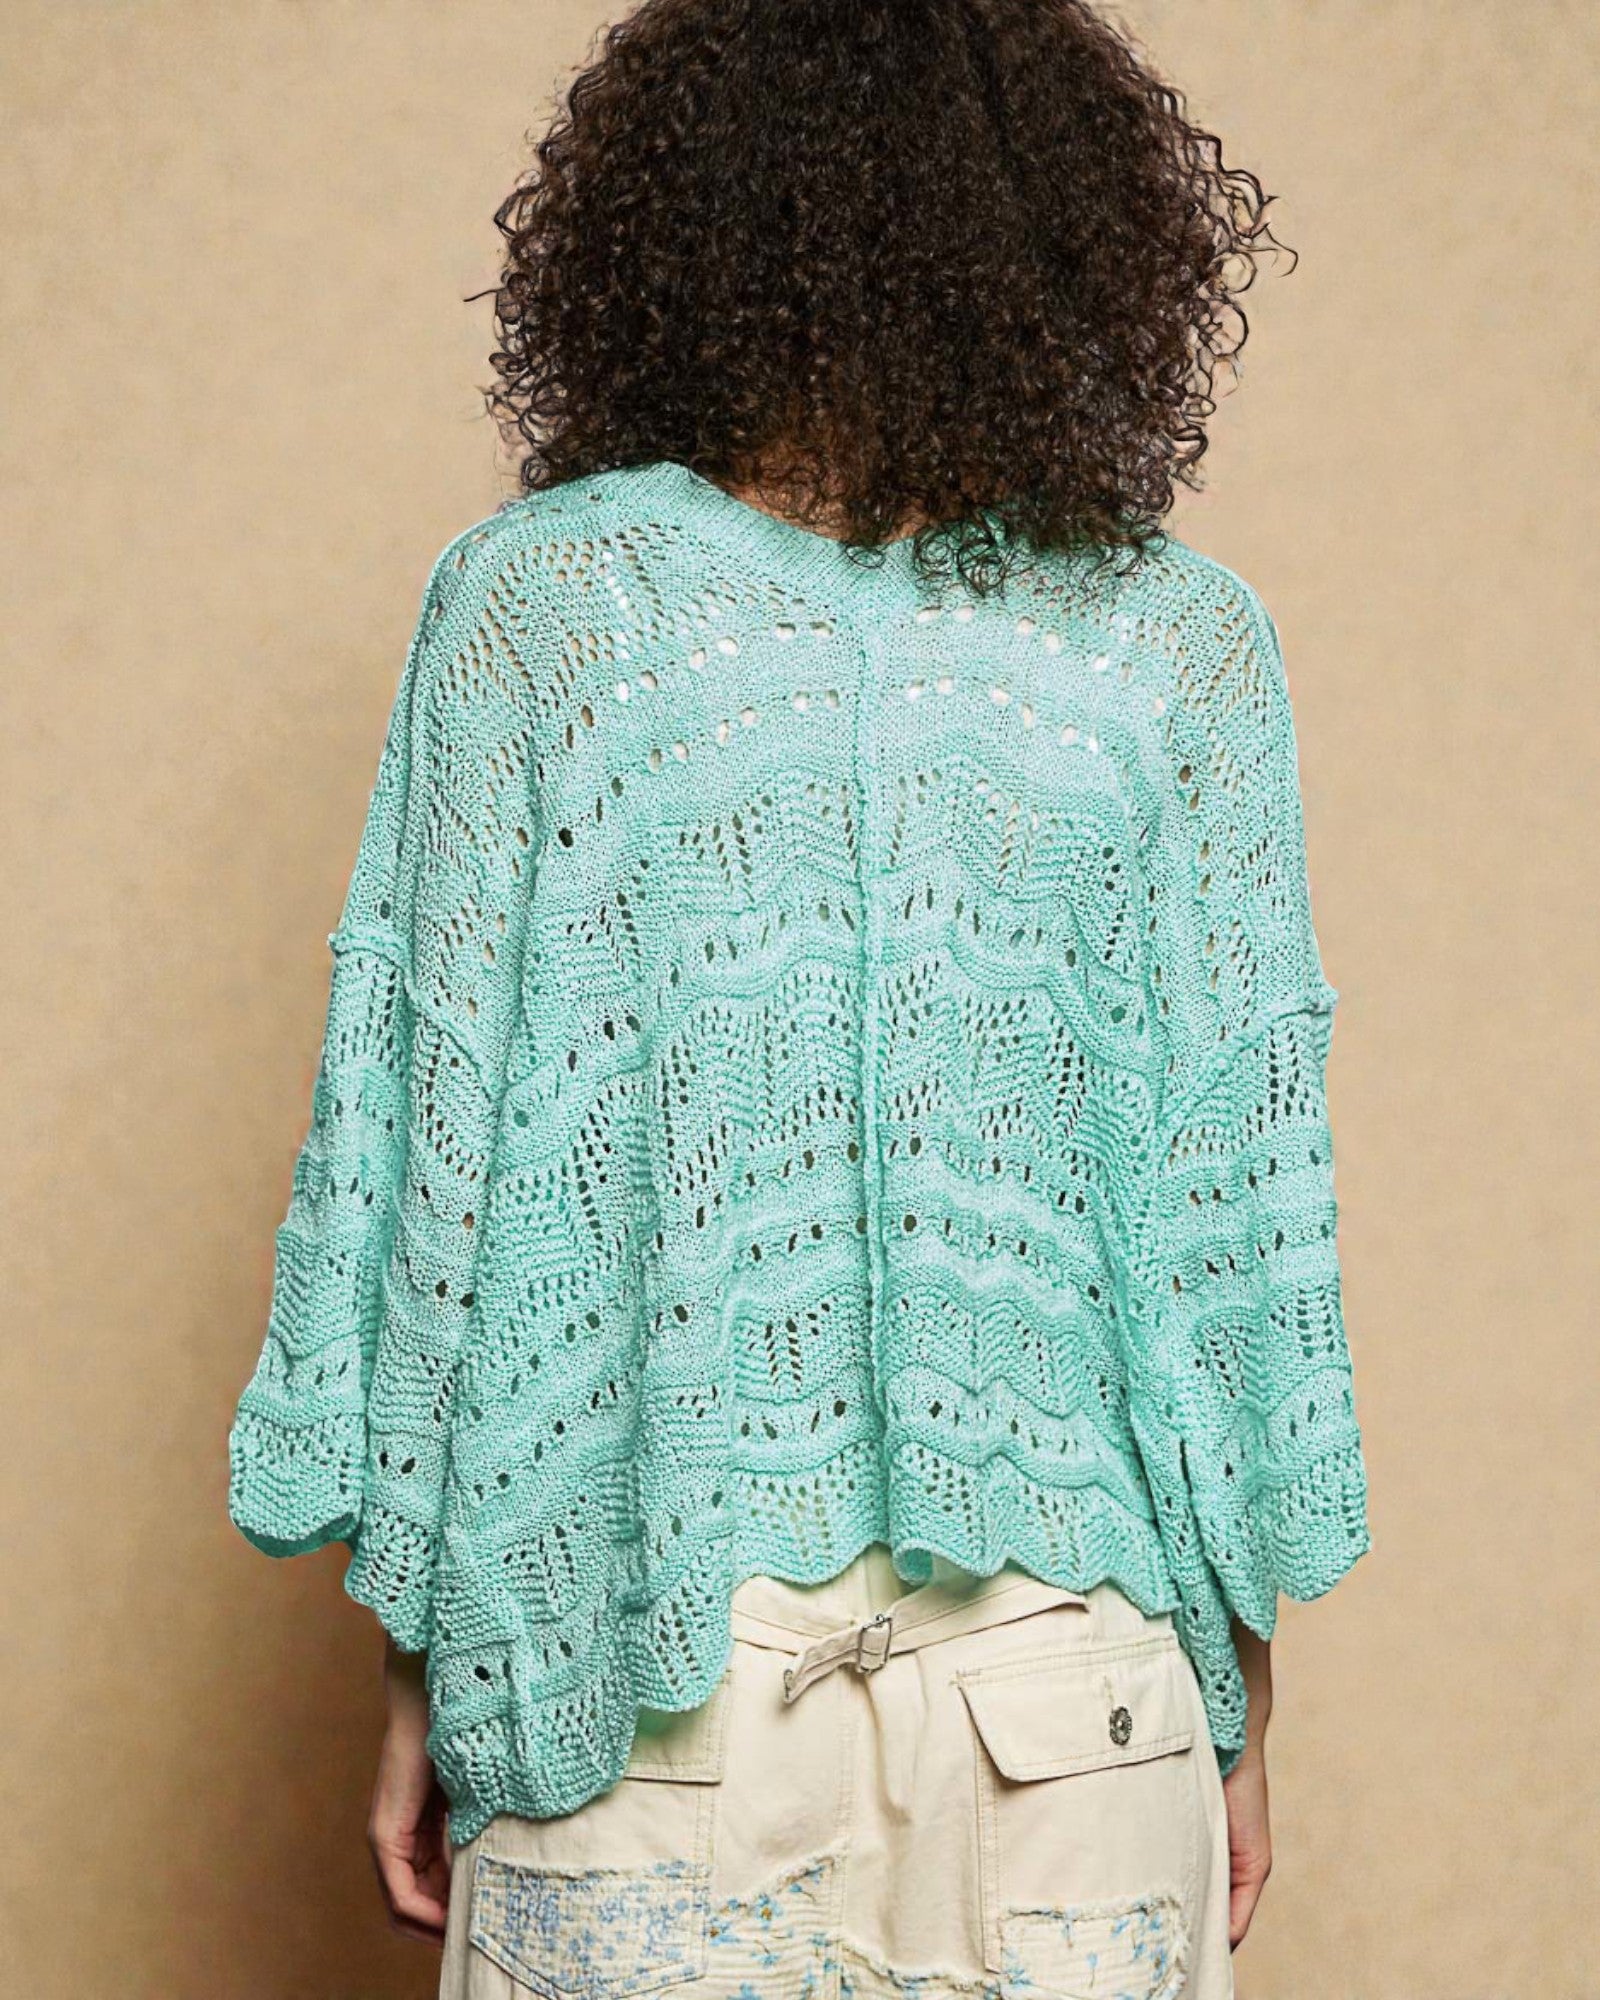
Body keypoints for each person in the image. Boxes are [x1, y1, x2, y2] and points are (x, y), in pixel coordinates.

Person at [226, 1, 1373, 1993]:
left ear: (669, 231)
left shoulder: (538, 613)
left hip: (631, 1683)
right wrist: (1231, 1691)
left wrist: (420, 1649)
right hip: (1074, 1702)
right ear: (1068, 244)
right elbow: (1225, 1242)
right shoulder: (1168, 651)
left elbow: (432, 1173)